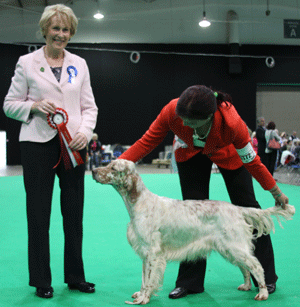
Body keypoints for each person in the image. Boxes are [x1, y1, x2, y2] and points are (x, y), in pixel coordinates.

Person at [118, 85, 289, 300]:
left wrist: (275, 191)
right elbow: (147, 142)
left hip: (228, 155)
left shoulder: (232, 123)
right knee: (191, 212)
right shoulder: (172, 111)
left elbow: (253, 162)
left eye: (190, 121)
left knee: (248, 204)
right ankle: (190, 283)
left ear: (209, 117)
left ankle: (266, 277)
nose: (184, 123)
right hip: (189, 154)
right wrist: (118, 164)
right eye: (182, 119)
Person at [3, 4, 98, 299]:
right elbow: (9, 103)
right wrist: (32, 106)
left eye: (66, 29)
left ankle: (75, 276)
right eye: (55, 29)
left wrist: (83, 133)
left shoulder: (80, 63)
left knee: (74, 214)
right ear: (45, 30)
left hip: (72, 147)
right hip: (36, 146)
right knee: (38, 215)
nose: (61, 34)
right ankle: (41, 280)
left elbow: (88, 107)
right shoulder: (26, 62)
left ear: (72, 33)